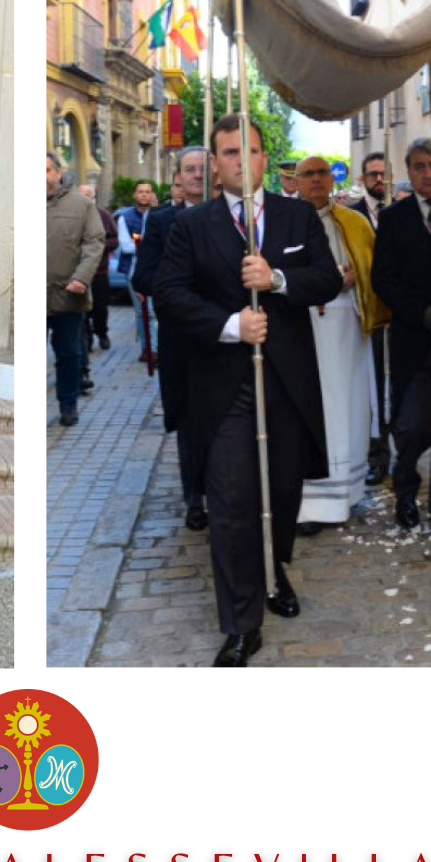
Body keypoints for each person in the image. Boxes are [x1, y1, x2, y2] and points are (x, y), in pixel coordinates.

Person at [155, 116, 342, 666]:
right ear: (215, 163)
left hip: (286, 382)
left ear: (266, 158)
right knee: (234, 501)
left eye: (252, 150)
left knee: (282, 493)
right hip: (223, 385)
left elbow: (327, 278)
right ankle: (241, 622)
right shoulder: (193, 225)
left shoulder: (296, 216)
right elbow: (169, 295)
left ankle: (272, 566)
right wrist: (232, 324)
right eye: (230, 151)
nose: (242, 160)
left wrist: (278, 281)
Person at [371, 138, 431, 539]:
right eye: (419, 166)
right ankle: (405, 487)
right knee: (411, 425)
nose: (427, 173)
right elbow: (383, 280)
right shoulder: (394, 218)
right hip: (412, 340)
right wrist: (419, 313)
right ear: (408, 171)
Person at [293, 157, 388, 534]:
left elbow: (372, 272)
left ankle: (346, 493)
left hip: (347, 327)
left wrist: (352, 282)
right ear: (296, 181)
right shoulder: (284, 222)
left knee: (346, 407)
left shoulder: (355, 222)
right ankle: (308, 501)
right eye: (308, 174)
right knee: (312, 409)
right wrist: (322, 282)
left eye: (322, 174)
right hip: (303, 327)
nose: (316, 180)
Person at [132, 146, 207, 530]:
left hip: (225, 333)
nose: (196, 175)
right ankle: (195, 496)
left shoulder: (233, 213)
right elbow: (141, 276)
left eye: (202, 169)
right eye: (189, 170)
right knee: (190, 419)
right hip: (181, 334)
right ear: (179, 176)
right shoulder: (162, 221)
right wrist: (178, 287)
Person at [46, 152, 104, 427]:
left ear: (58, 173)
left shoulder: (81, 205)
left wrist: (81, 278)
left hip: (67, 295)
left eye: (46, 171)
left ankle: (68, 404)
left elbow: (94, 243)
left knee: (68, 353)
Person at [347, 150, 392, 486]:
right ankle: (376, 456)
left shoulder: (399, 212)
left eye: (383, 173)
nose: (379, 179)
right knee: (374, 387)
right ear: (362, 178)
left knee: (396, 387)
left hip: (398, 316)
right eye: (372, 174)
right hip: (366, 315)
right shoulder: (351, 216)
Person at [115, 180, 158, 363]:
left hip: (155, 269)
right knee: (142, 311)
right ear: (135, 194)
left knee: (154, 311)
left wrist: (142, 244)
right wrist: (146, 245)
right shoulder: (125, 217)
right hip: (133, 270)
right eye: (140, 191)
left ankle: (156, 347)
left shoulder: (158, 214)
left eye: (147, 192)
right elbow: (126, 246)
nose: (144, 195)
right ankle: (147, 349)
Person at [77, 182, 117, 353]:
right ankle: (86, 337)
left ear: (93, 198)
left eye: (87, 196)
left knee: (100, 305)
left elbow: (114, 240)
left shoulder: (104, 215)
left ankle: (102, 332)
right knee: (80, 306)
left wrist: (97, 246)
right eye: (80, 196)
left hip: (99, 270)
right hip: (77, 271)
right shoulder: (73, 215)